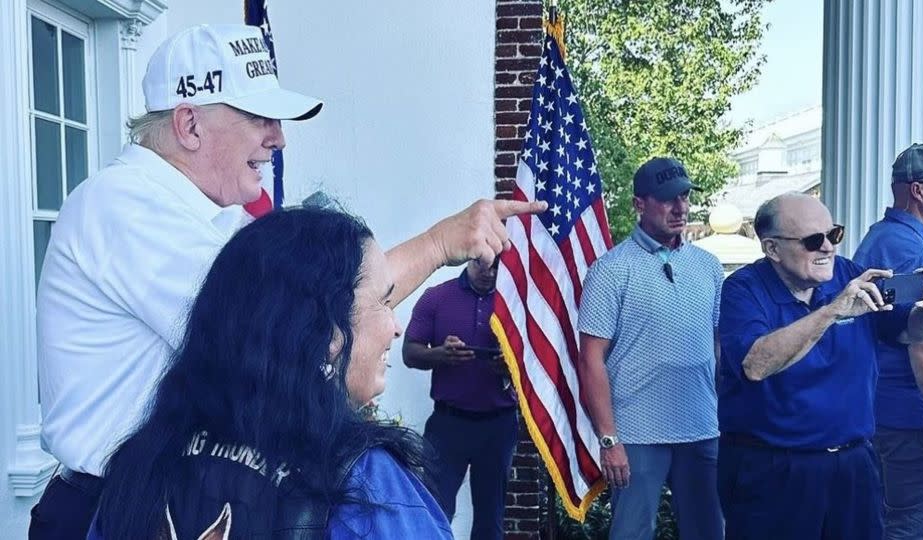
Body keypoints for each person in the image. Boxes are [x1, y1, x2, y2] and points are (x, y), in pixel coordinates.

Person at [31, 23, 544, 539]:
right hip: (111, 507)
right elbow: (291, 321)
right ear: (189, 125)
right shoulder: (123, 206)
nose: (278, 137)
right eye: (260, 117)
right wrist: (436, 245)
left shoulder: (215, 216)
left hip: (181, 488)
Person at [88, 207, 451, 538]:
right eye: (384, 302)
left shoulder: (142, 463)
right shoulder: (364, 484)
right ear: (326, 333)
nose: (396, 326)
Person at [717, 192, 923, 540]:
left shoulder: (849, 275)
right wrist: (831, 312)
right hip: (772, 469)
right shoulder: (743, 289)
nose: (828, 247)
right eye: (813, 240)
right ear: (772, 249)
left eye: (834, 234)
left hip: (853, 465)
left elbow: (906, 332)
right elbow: (756, 364)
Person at [577, 157, 725, 540]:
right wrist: (609, 439)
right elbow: (591, 358)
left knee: (709, 531)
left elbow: (718, 346)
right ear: (639, 204)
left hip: (701, 428)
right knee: (631, 534)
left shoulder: (708, 266)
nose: (680, 208)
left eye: (684, 197)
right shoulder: (610, 270)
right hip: (637, 434)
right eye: (667, 199)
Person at [853, 142, 923, 539]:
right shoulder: (916, 257)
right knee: (908, 531)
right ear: (917, 190)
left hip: (886, 418)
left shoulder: (881, 240)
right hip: (915, 427)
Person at [402, 259, 518, 540]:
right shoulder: (437, 297)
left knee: (490, 521)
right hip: (447, 424)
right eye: (482, 265)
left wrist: (512, 364)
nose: (488, 274)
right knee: (434, 511)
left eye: (495, 268)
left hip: (498, 425)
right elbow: (410, 353)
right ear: (470, 257)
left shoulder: (514, 301)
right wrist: (440, 354)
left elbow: (539, 364)